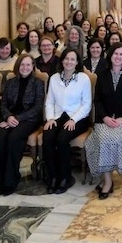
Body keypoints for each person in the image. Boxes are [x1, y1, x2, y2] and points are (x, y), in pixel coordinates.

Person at [86, 43, 122, 199]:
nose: (118, 57)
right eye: (115, 54)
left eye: (121, 54)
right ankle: (108, 181)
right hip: (105, 119)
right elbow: (97, 100)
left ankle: (106, 181)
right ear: (110, 56)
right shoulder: (102, 75)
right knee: (102, 139)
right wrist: (105, 117)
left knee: (114, 139)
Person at [0, 53, 46, 196]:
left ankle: (11, 180)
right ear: (18, 66)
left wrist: (17, 118)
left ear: (33, 66)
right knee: (1, 136)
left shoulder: (38, 83)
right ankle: (0, 179)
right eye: (22, 64)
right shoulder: (11, 82)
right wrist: (9, 117)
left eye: (28, 64)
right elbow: (3, 104)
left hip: (29, 119)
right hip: (9, 118)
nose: (25, 67)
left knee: (14, 138)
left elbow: (37, 107)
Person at [42, 49, 91, 194]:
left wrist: (74, 119)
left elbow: (87, 104)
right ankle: (52, 177)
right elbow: (49, 101)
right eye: (66, 59)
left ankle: (65, 177)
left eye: (72, 59)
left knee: (62, 138)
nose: (69, 62)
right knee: (48, 136)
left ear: (77, 62)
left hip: (79, 117)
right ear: (62, 61)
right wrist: (50, 118)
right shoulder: (54, 78)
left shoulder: (83, 78)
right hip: (57, 116)